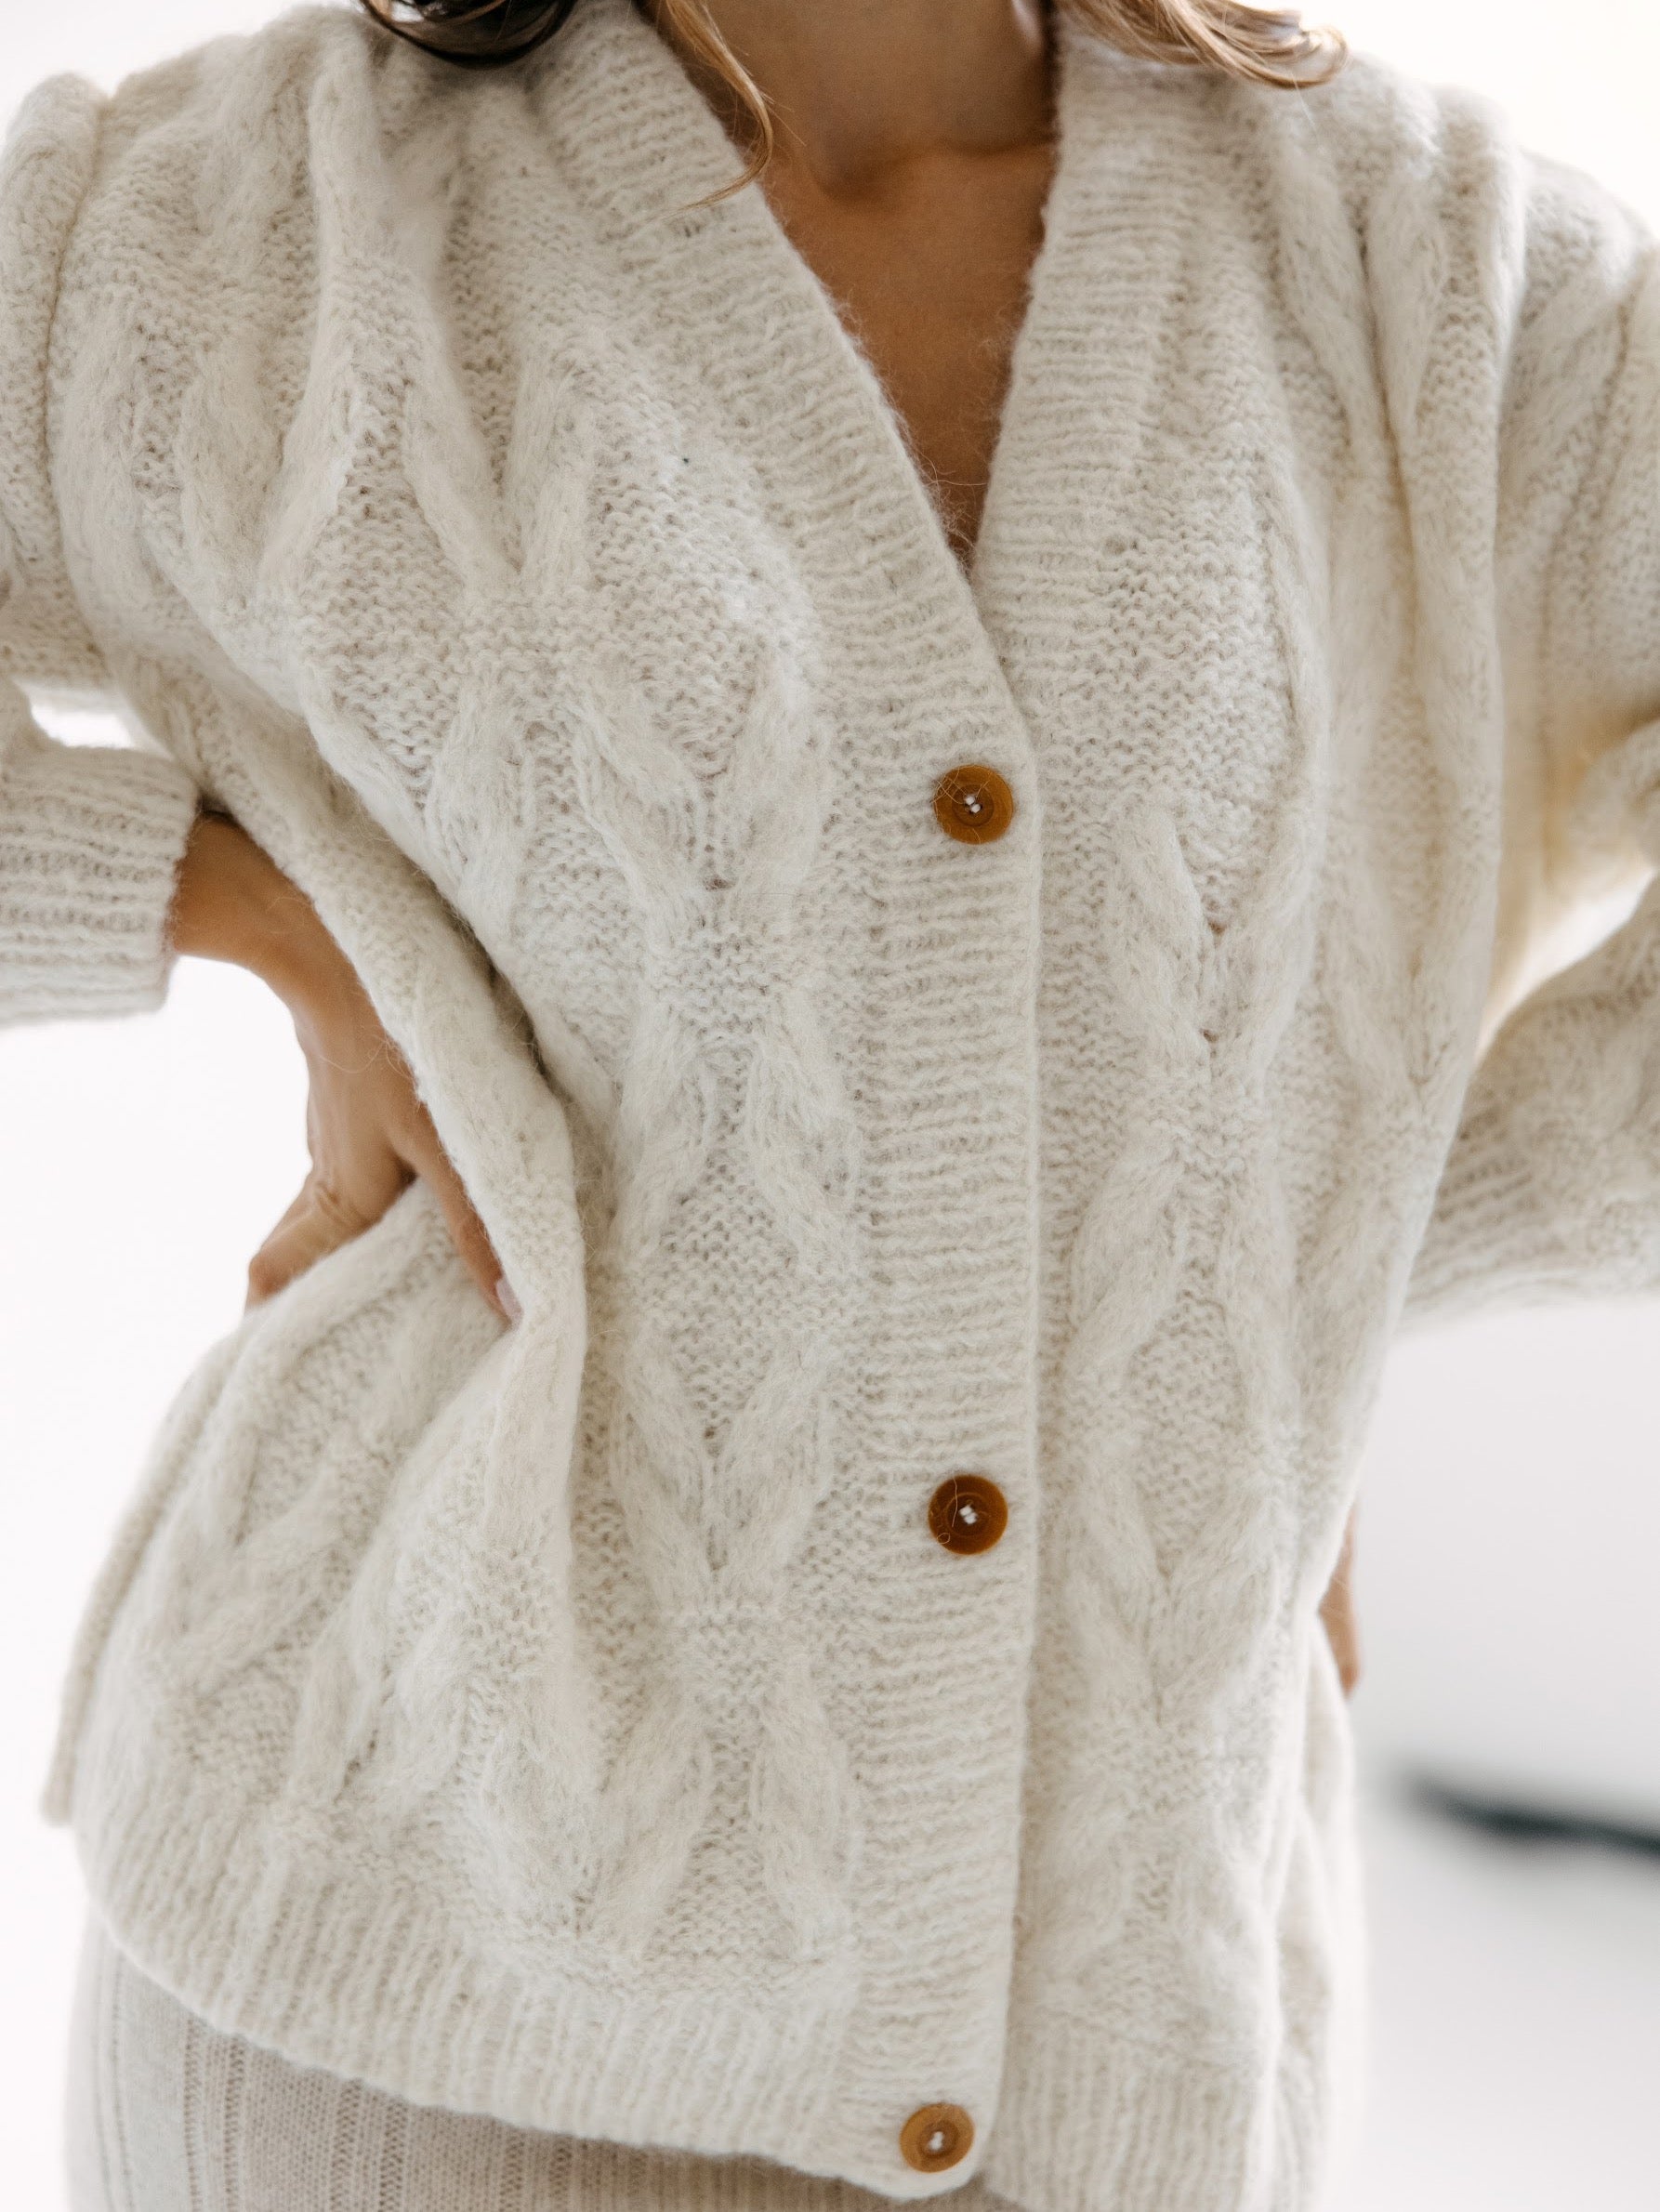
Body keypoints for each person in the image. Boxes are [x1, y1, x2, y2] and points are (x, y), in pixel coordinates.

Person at [4, 0, 1657, 2204]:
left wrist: (1266, 1271)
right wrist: (234, 902)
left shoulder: (1441, 277)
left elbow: (1212, 1200)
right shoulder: (240, 228)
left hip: (1107, 2050)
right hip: (391, 1997)